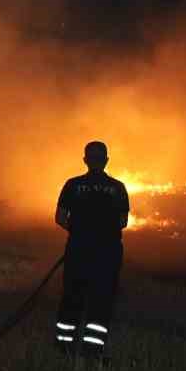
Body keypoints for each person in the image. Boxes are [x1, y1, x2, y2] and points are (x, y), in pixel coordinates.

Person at [54, 141, 129, 359]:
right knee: (101, 302)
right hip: (108, 256)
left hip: (78, 252)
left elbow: (59, 218)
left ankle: (64, 349)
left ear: (85, 160)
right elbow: (123, 221)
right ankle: (93, 351)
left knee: (71, 298)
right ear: (106, 160)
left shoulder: (72, 185)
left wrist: (79, 233)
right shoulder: (118, 188)